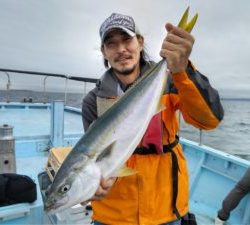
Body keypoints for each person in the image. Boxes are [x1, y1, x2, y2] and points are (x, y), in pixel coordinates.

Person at [82, 12, 224, 225]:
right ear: (104, 52)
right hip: (113, 217)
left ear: (140, 42)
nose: (121, 49)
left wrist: (183, 70)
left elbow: (209, 120)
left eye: (127, 40)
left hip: (166, 211)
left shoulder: (171, 82)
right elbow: (96, 157)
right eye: (111, 44)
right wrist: (93, 186)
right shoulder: (93, 101)